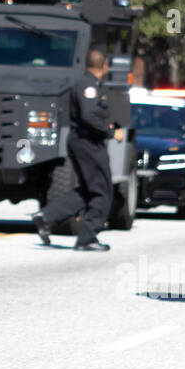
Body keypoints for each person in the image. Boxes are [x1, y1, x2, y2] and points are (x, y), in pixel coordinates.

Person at [32, 50, 124, 252]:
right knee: (102, 191)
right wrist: (111, 131)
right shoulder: (88, 85)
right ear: (104, 66)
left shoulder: (87, 83)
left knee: (89, 189)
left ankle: (47, 216)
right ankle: (87, 238)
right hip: (88, 143)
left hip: (84, 142)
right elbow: (89, 115)